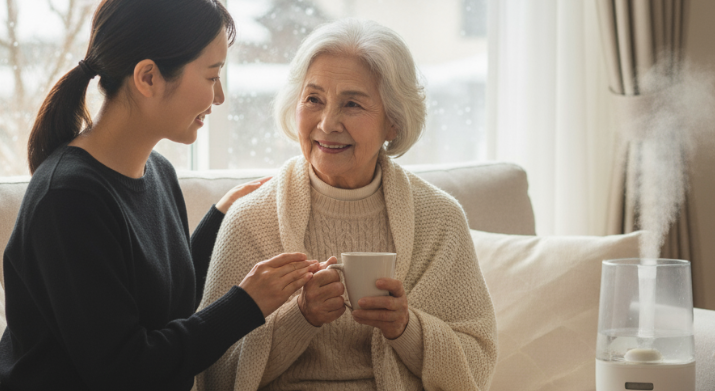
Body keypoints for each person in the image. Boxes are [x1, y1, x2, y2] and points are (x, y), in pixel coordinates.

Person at [0, 0, 318, 391]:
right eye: (211, 76)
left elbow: (158, 305)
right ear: (148, 77)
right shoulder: (69, 198)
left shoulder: (157, 171)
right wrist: (247, 305)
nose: (219, 97)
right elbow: (126, 371)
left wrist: (219, 218)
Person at [197, 19, 498, 390]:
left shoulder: (439, 220)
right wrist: (301, 318)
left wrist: (407, 328)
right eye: (313, 100)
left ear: (393, 122)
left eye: (352, 104)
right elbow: (214, 375)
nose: (327, 123)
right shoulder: (251, 221)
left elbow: (477, 363)